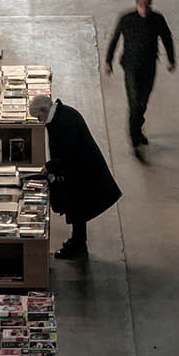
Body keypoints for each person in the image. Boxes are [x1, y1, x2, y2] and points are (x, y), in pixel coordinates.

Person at [28, 92, 121, 260]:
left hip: (82, 173)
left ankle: (78, 245)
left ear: (44, 109)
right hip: (80, 171)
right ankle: (78, 242)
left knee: (78, 208)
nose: (40, 121)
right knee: (78, 210)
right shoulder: (64, 114)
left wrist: (50, 166)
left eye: (39, 117)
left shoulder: (63, 123)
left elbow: (68, 154)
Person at [104, 0, 176, 153]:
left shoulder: (158, 20)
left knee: (143, 101)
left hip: (149, 66)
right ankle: (134, 138)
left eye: (148, 4)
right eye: (142, 4)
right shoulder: (126, 19)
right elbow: (114, 39)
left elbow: (167, 38)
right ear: (137, 4)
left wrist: (171, 59)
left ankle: (136, 129)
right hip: (130, 66)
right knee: (134, 102)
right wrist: (108, 60)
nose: (145, 8)